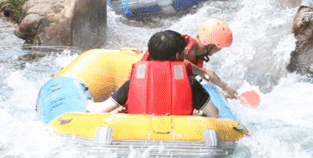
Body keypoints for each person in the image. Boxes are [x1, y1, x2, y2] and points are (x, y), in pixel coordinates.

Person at [86, 30, 219, 117]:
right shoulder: (190, 83)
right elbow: (214, 113)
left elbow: (102, 109)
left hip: (139, 136)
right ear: (178, 55)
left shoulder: (134, 83)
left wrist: (89, 103)